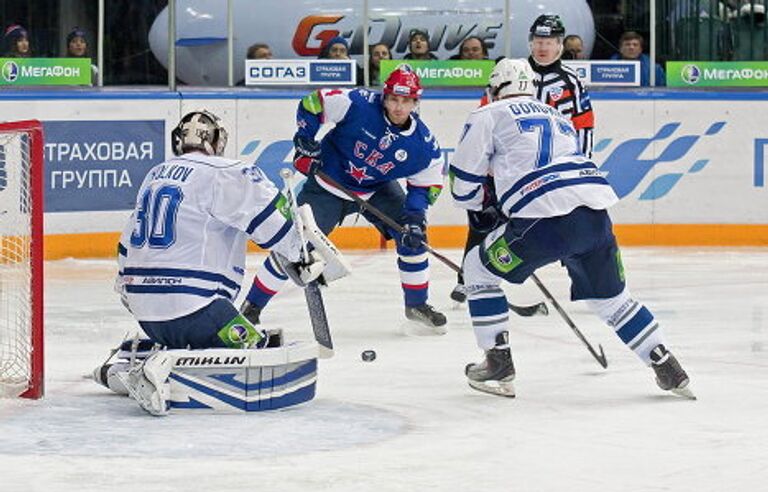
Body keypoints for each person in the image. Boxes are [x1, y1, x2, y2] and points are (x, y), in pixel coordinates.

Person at [450, 58, 694, 399]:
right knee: (612, 301)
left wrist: (483, 207)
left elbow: (462, 183)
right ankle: (666, 365)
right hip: (594, 215)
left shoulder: (488, 114)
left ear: (493, 89)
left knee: (477, 267)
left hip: (543, 220)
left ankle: (497, 361)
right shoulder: (557, 116)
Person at [96, 111, 333, 413]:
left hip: (146, 313)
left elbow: (125, 246)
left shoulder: (155, 174)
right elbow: (274, 225)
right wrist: (302, 254)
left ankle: (124, 367)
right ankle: (160, 371)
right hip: (198, 308)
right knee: (259, 353)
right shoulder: (229, 171)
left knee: (194, 340)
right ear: (218, 140)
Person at [240, 65, 448, 332]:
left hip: (378, 189)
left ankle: (417, 304)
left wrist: (416, 218)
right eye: (393, 99)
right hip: (326, 184)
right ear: (384, 96)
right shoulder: (358, 104)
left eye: (406, 101)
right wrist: (305, 140)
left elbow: (425, 186)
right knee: (295, 243)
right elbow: (313, 103)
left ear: (415, 103)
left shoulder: (423, 145)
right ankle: (252, 306)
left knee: (415, 238)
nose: (398, 107)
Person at [450, 14, 595, 304]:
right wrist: (488, 168)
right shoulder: (508, 73)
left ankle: (590, 287)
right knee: (482, 222)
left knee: (572, 224)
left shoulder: (572, 82)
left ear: (560, 45)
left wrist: (582, 163)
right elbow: (485, 122)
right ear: (530, 43)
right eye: (538, 41)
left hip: (555, 172)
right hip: (507, 170)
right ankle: (468, 279)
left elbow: (584, 127)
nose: (543, 47)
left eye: (550, 42)